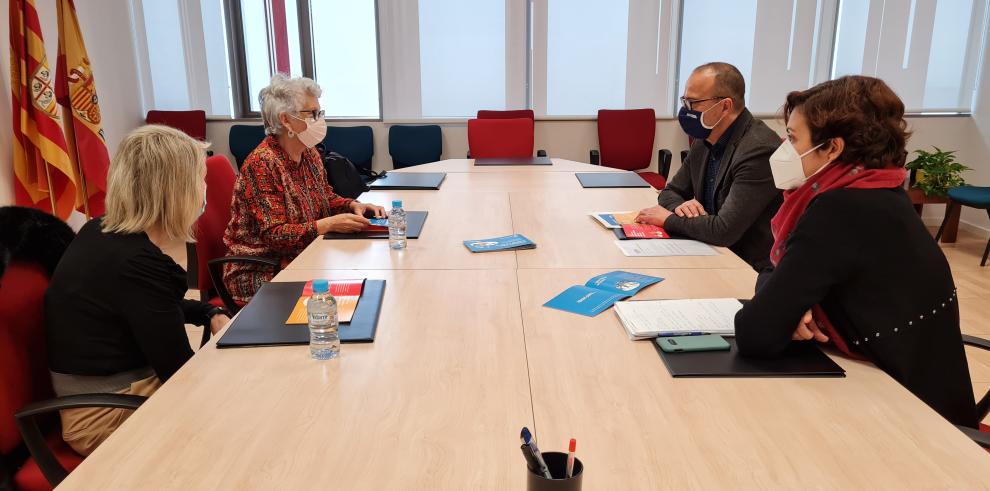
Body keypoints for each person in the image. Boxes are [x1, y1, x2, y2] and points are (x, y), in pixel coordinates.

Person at [734, 76, 978, 428]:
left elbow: (755, 333)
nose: (784, 149)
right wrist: (787, 301)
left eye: (792, 138)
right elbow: (776, 274)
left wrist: (781, 302)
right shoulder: (881, 189)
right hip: (923, 392)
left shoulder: (839, 209)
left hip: (911, 420)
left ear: (832, 148)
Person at [45, 125, 232, 455]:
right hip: (103, 414)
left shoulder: (103, 231)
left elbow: (151, 305)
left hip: (123, 387)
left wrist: (209, 311)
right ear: (174, 190)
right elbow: (179, 373)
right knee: (234, 405)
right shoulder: (133, 262)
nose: (205, 188)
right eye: (199, 179)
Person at [223, 74, 385, 304]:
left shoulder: (308, 153)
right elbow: (274, 235)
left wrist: (353, 205)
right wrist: (326, 225)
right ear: (286, 120)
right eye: (312, 114)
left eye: (320, 113)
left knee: (364, 281)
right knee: (348, 299)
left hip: (303, 256)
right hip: (261, 269)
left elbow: (324, 198)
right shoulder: (262, 164)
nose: (319, 120)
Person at [636, 62, 782, 271]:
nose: (686, 110)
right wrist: (679, 206)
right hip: (712, 251)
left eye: (694, 103)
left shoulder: (758, 150)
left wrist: (668, 219)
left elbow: (724, 230)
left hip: (747, 267)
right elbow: (671, 191)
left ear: (725, 106)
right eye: (684, 101)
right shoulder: (706, 138)